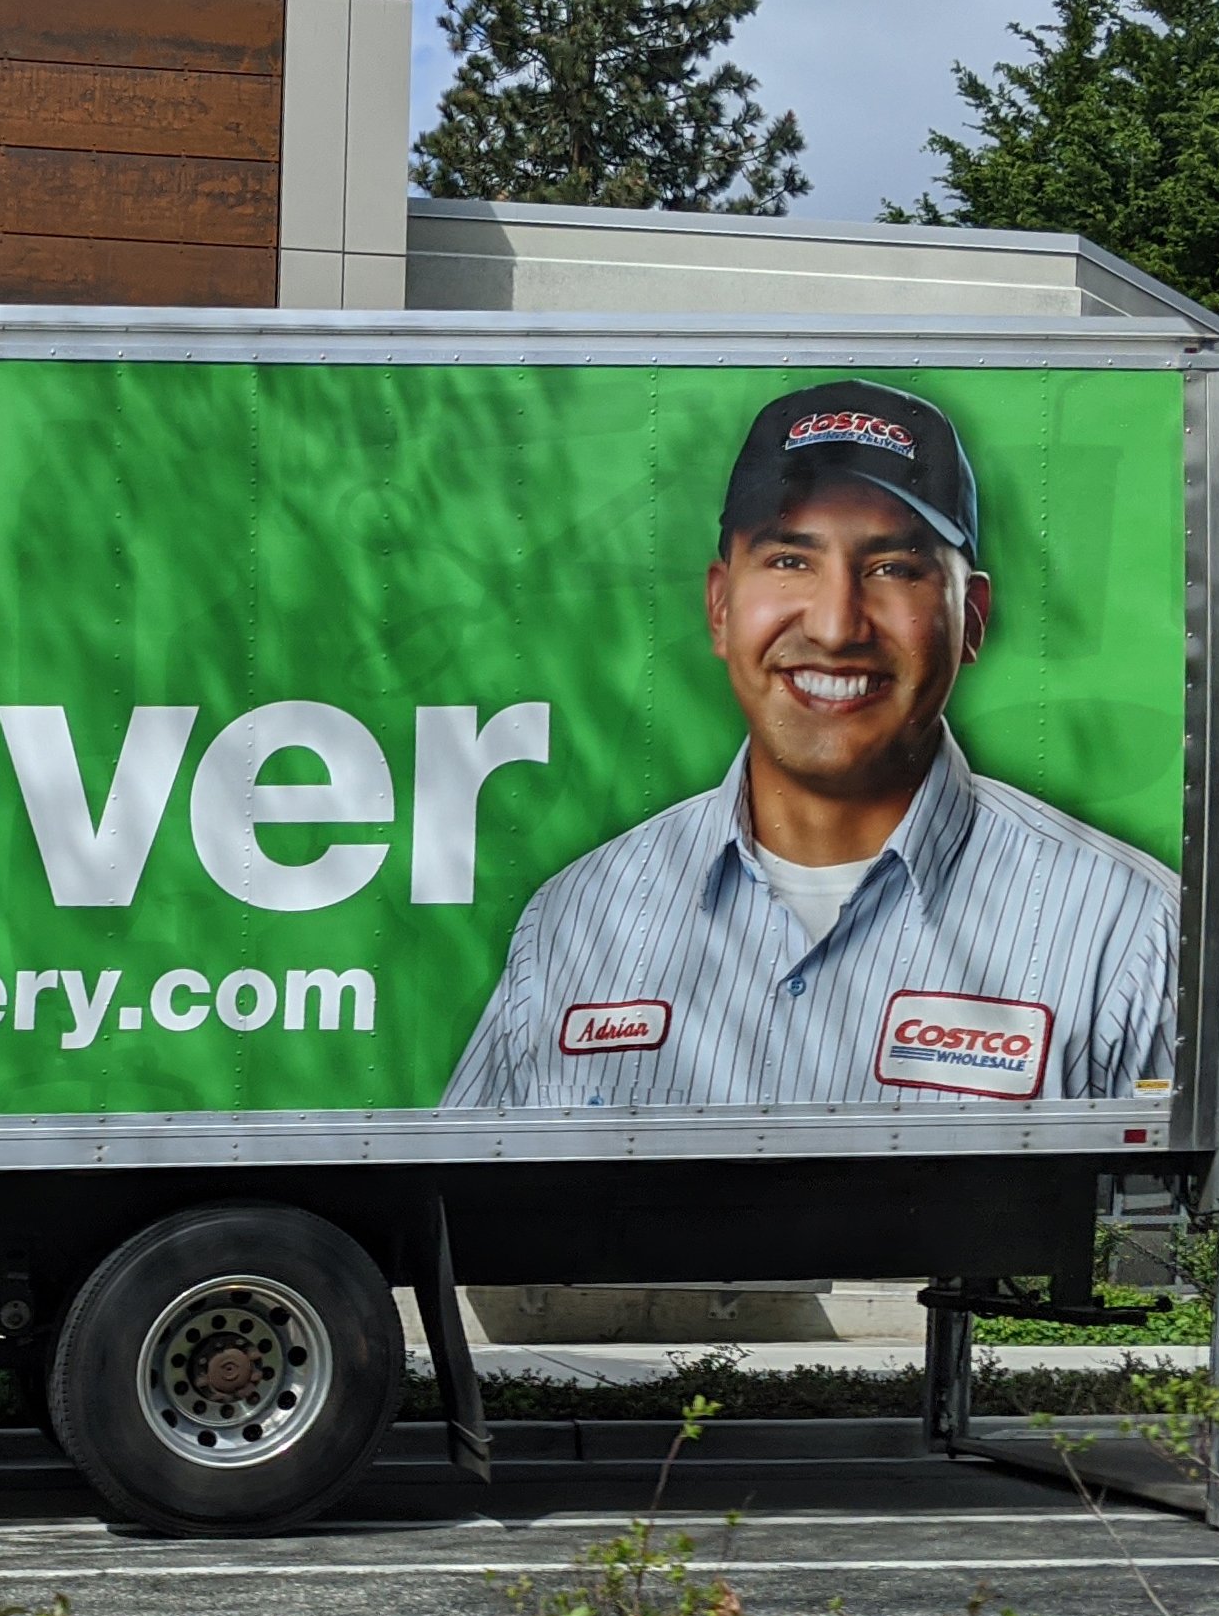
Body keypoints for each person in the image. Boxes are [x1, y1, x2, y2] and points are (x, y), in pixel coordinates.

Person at [442, 379, 1176, 1109]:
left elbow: (1176, 1219)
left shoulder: (1124, 928)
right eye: (790, 560)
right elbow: (460, 1212)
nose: (834, 625)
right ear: (720, 606)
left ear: (972, 619)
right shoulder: (575, 921)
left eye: (892, 568)